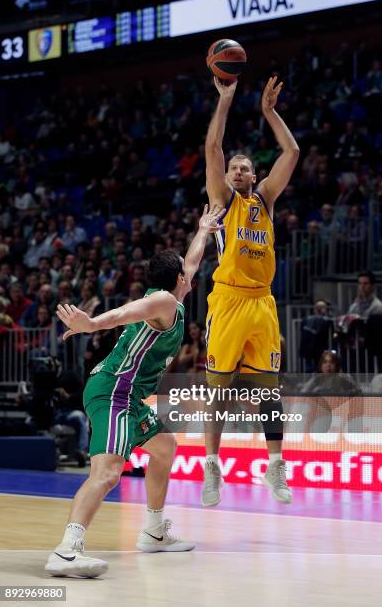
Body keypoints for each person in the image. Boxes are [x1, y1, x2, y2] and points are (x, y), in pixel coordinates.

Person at [45, 204, 225, 578]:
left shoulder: (172, 296)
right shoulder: (161, 301)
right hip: (113, 392)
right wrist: (92, 323)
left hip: (126, 395)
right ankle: (67, 550)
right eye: (185, 272)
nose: (190, 273)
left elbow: (190, 262)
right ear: (178, 278)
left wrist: (203, 231)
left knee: (164, 447)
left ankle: (155, 532)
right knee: (108, 473)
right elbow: (126, 311)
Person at [202, 76, 299, 507]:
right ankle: (211, 466)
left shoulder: (265, 202)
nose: (238, 171)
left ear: (254, 176)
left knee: (269, 392)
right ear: (226, 177)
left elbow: (292, 152)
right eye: (233, 167)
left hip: (262, 302)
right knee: (219, 390)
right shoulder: (224, 201)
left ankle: (275, 467)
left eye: (245, 167)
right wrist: (225, 102)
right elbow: (213, 149)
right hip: (227, 300)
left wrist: (269, 112)